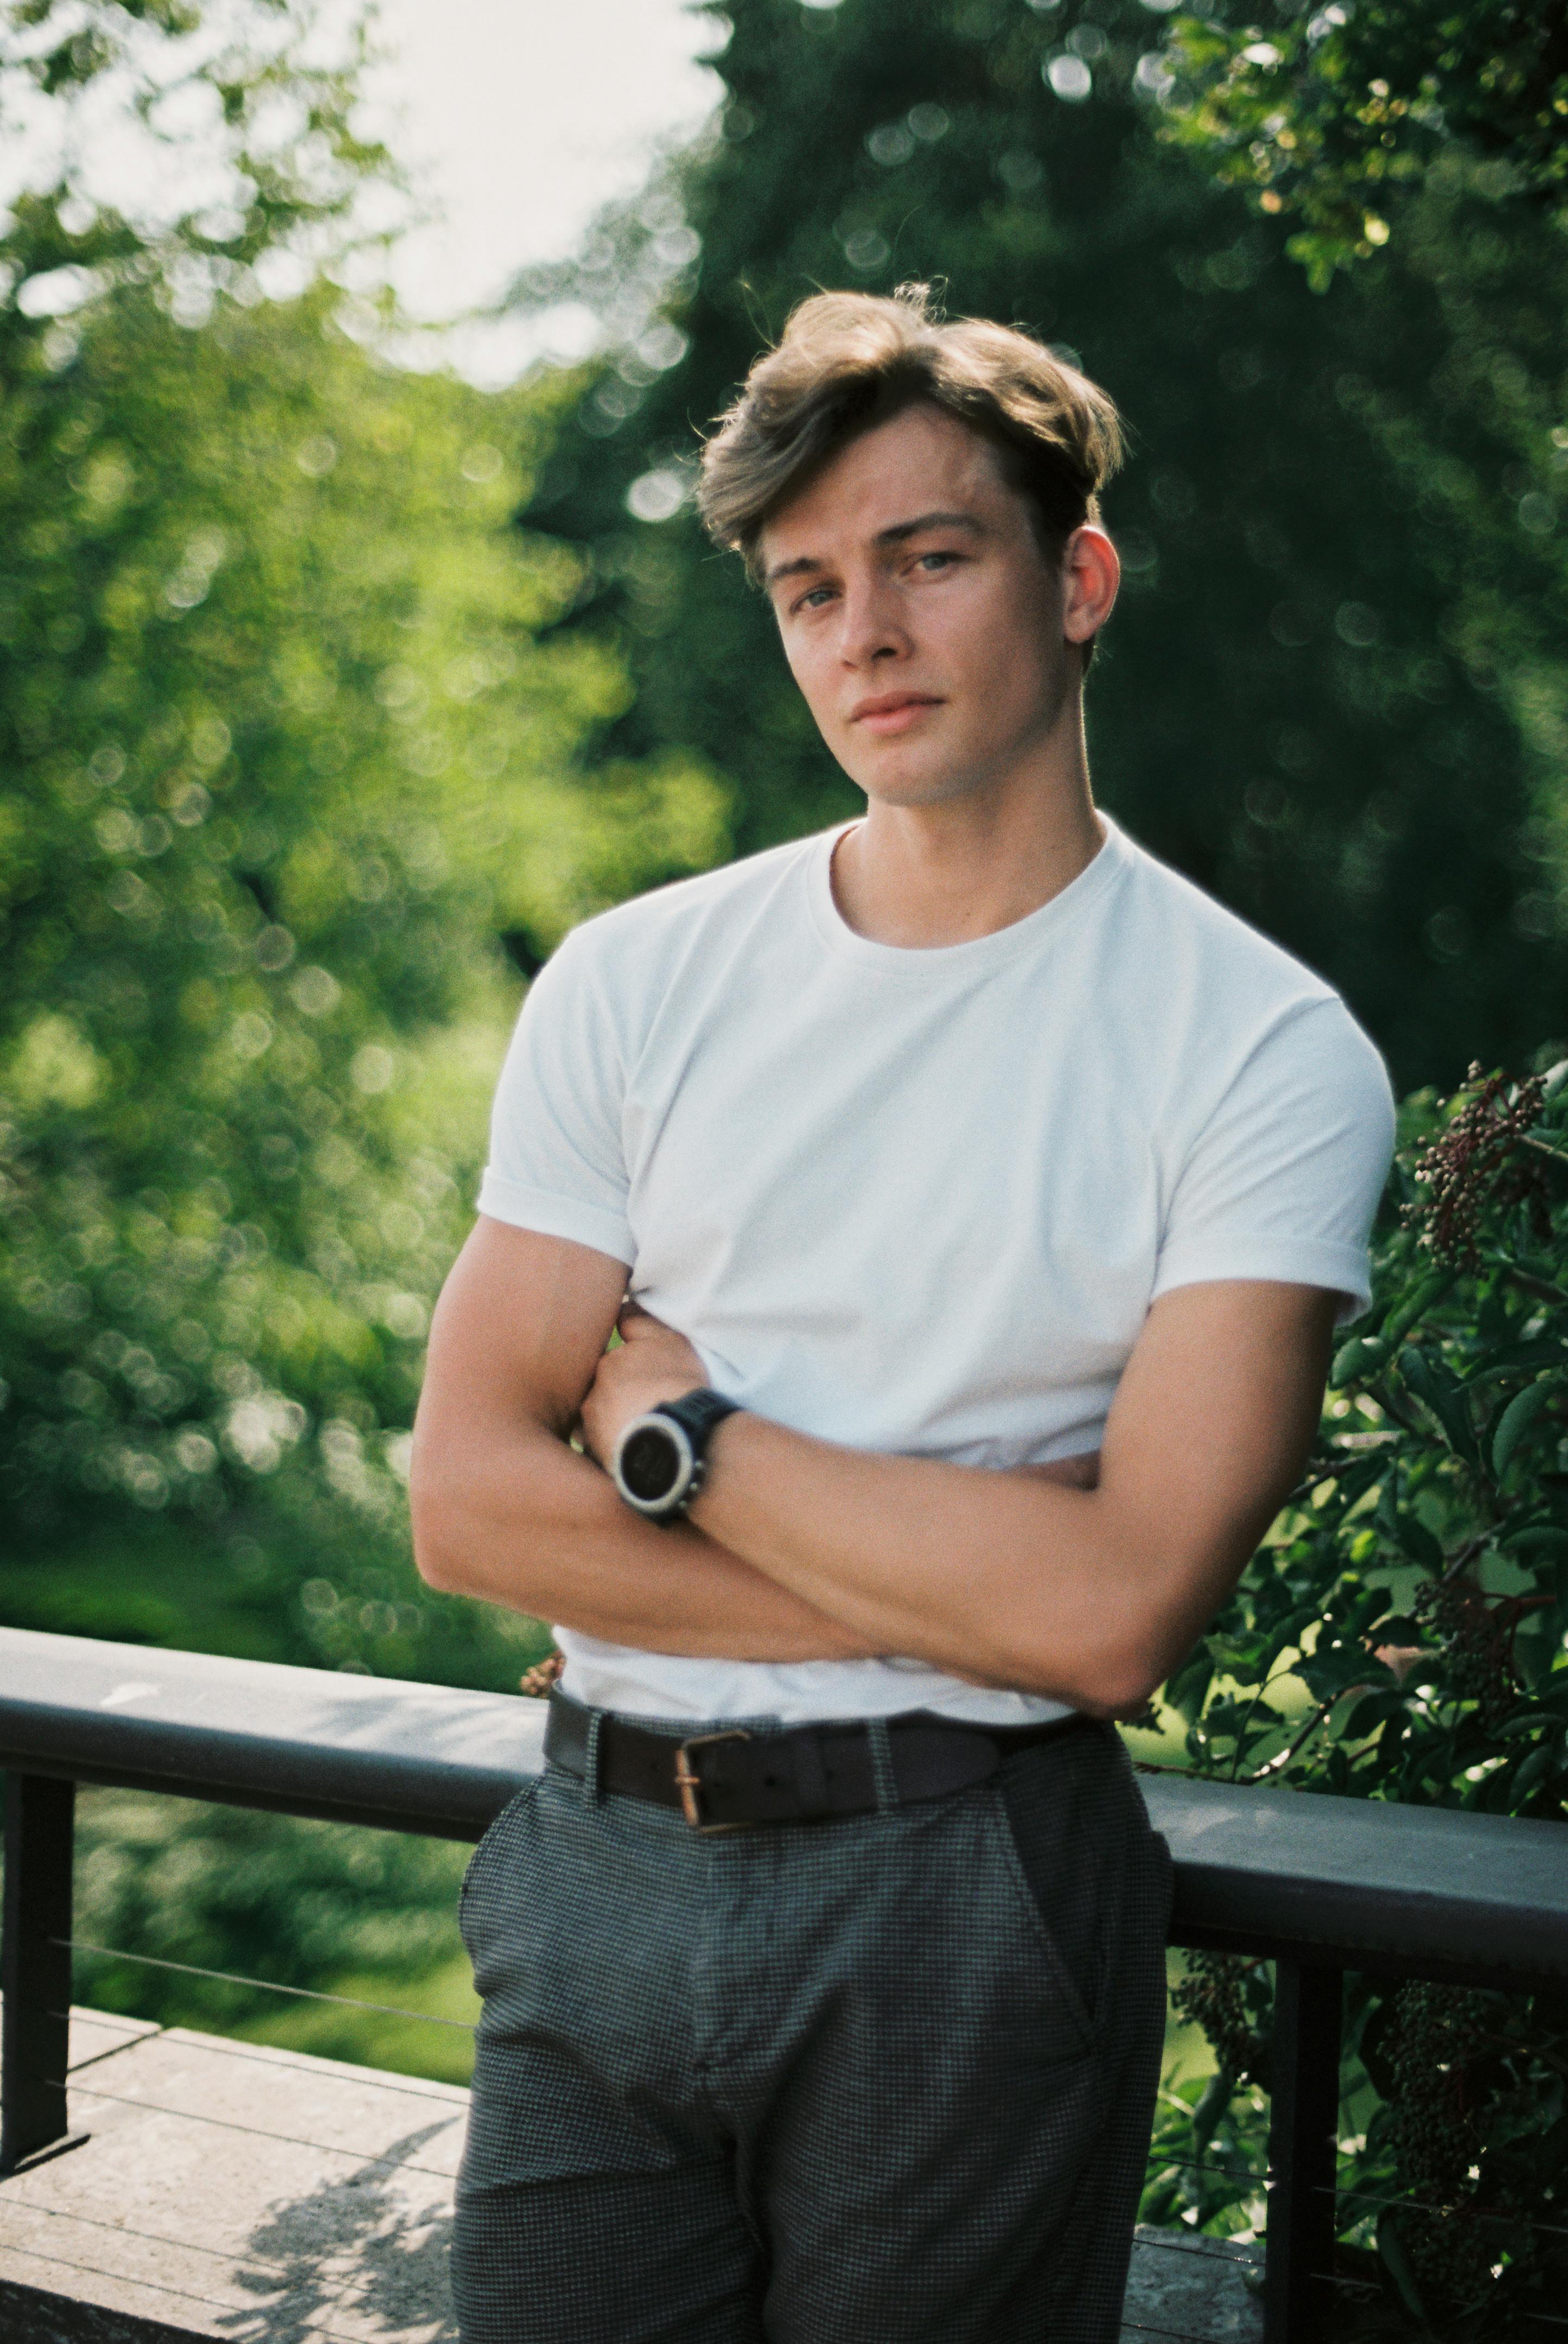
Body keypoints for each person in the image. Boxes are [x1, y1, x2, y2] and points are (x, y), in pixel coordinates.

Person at [410, 284, 1395, 2344]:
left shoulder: (1257, 1054)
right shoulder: (634, 979)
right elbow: (471, 1511)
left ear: (1079, 577)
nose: (861, 632)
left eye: (929, 559)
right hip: (594, 1855)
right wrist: (972, 1578)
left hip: (960, 1889)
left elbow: (1118, 1615)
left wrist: (685, 1448)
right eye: (804, 589)